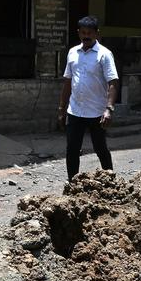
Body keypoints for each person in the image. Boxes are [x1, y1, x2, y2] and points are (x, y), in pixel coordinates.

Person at [58, 15, 119, 180]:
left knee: (100, 149)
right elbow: (68, 82)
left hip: (96, 112)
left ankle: (111, 181)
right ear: (78, 33)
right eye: (83, 33)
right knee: (72, 149)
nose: (86, 36)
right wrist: (62, 109)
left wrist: (109, 109)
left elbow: (113, 82)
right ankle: (72, 184)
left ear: (97, 33)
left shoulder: (104, 54)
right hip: (75, 110)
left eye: (89, 33)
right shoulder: (72, 52)